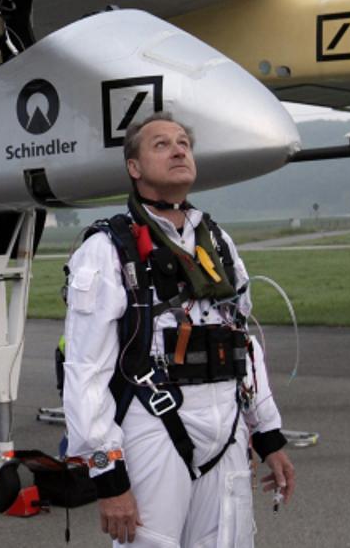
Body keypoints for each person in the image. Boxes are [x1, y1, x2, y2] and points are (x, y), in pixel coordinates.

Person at [61, 112, 295, 546]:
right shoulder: (107, 250)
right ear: (134, 168)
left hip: (226, 425)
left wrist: (268, 435)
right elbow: (85, 368)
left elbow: (243, 342)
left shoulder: (218, 243)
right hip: (155, 423)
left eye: (184, 142)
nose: (178, 149)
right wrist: (109, 479)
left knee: (230, 540)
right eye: (161, 144)